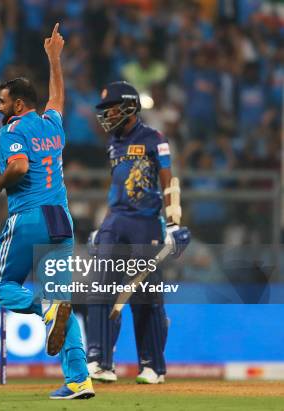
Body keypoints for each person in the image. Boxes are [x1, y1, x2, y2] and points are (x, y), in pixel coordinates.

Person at [0, 23, 94, 400]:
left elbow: (18, 168)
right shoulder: (51, 124)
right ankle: (80, 380)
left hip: (28, 217)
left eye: (2, 101)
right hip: (61, 221)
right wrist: (54, 60)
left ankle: (45, 310)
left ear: (17, 104)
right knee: (61, 299)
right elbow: (58, 99)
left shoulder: (12, 130)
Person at [86, 81, 190, 384]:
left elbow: (169, 181)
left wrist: (173, 223)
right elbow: (116, 187)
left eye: (111, 108)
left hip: (145, 223)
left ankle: (152, 365)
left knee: (146, 295)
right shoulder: (113, 144)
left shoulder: (154, 138)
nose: (106, 115)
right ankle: (100, 360)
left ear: (130, 106)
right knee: (100, 288)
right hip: (116, 221)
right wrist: (103, 226)